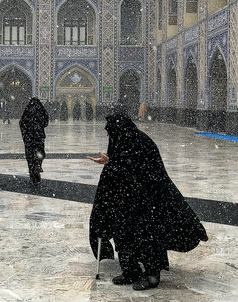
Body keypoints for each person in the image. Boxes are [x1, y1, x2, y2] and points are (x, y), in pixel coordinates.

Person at [88, 114, 208, 290]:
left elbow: (138, 172)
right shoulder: (122, 140)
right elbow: (122, 166)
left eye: (110, 133)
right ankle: (130, 270)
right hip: (127, 199)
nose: (108, 137)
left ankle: (152, 275)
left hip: (147, 201)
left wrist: (112, 164)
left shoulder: (141, 143)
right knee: (123, 233)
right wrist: (110, 163)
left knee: (147, 237)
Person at [19, 97, 49, 183]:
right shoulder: (41, 110)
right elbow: (46, 121)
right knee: (39, 153)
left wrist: (25, 133)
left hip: (29, 139)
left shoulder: (27, 110)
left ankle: (32, 172)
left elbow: (21, 123)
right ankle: (37, 167)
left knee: (30, 155)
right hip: (38, 137)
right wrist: (39, 127)